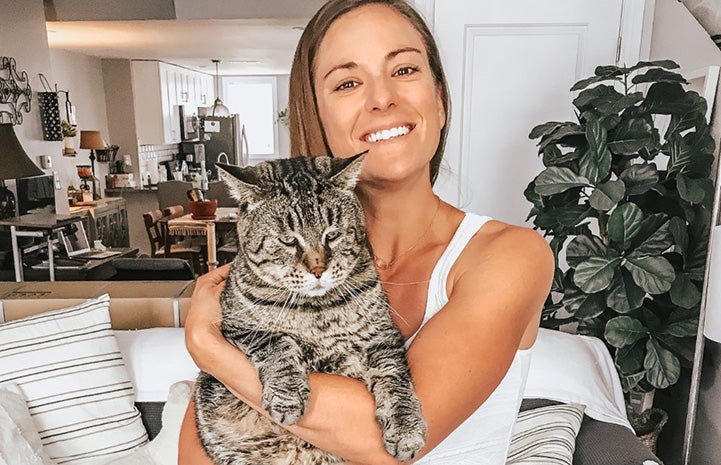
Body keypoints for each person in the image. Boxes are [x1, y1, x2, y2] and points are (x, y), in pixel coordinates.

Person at [178, 0, 554, 463]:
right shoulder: (274, 255)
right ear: (316, 113)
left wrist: (205, 345)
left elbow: (385, 445)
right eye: (349, 82)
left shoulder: (511, 255)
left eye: (404, 70)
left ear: (439, 98)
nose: (382, 98)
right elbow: (201, 446)